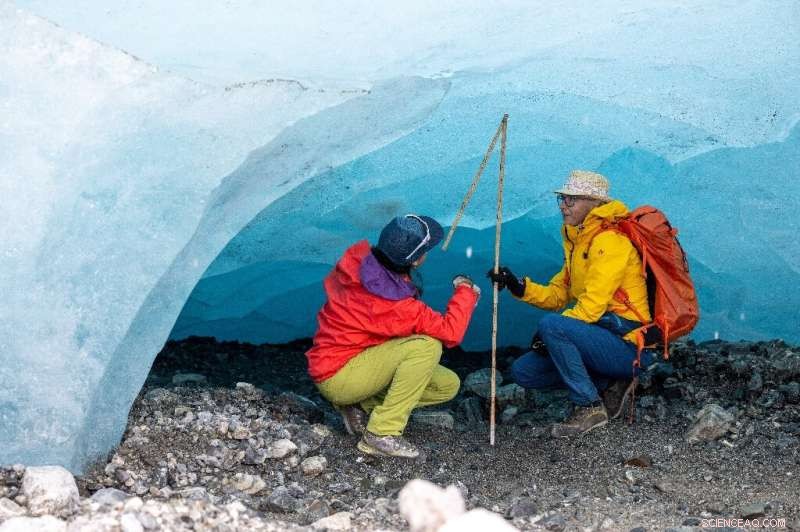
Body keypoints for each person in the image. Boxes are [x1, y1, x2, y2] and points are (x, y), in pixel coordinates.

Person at [488, 170, 654, 438]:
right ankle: (608, 381)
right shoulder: (580, 240)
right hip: (600, 339)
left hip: (629, 345)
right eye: (562, 199)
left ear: (595, 203)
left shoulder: (610, 242)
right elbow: (559, 293)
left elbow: (591, 307)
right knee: (524, 372)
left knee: (552, 326)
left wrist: (550, 333)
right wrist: (519, 286)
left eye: (571, 199)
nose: (564, 206)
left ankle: (589, 406)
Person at [307, 214, 481, 458]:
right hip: (340, 375)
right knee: (426, 347)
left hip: (347, 362)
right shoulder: (395, 305)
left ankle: (355, 405)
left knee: (446, 385)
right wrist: (466, 292)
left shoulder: (359, 266)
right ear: (417, 260)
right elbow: (450, 333)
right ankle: (381, 433)